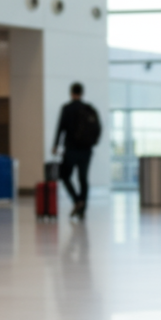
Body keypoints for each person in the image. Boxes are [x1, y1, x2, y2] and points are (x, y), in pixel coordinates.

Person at [52, 82, 101, 220]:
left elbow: (60, 128)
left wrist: (56, 145)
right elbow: (98, 129)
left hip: (71, 149)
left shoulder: (67, 108)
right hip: (86, 150)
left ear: (71, 93)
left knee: (65, 176)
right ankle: (82, 207)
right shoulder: (89, 109)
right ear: (82, 93)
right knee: (83, 178)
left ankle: (77, 201)